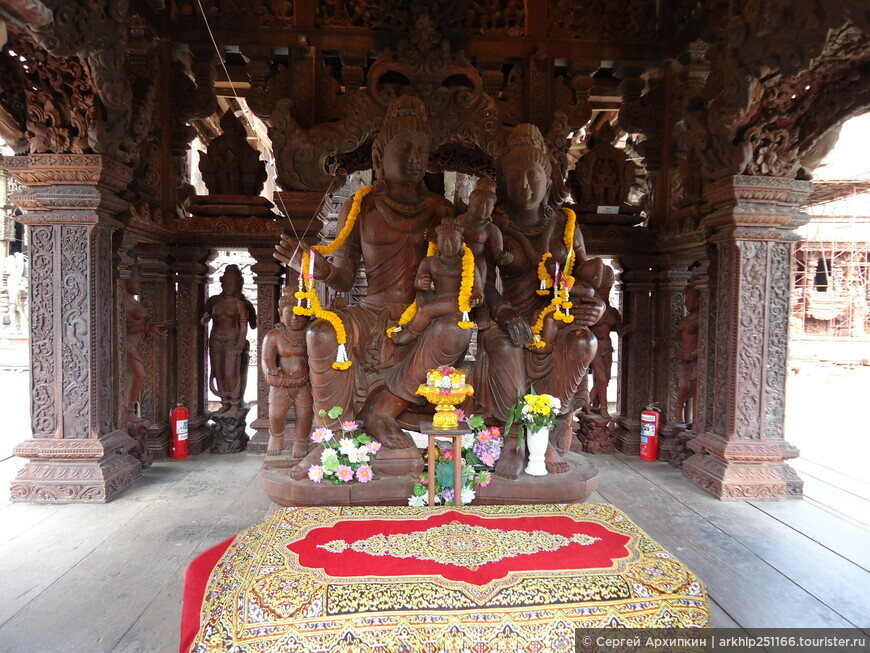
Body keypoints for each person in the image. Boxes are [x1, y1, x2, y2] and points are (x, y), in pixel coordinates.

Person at [273, 96, 470, 474]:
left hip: (424, 316)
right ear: (379, 158)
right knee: (320, 334)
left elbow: (464, 272)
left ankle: (384, 412)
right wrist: (312, 267)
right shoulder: (360, 206)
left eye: (422, 151)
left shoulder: (443, 211)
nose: (414, 158)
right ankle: (332, 439)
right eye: (405, 149)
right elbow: (345, 278)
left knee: (456, 331)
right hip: (372, 311)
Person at [471, 123, 606, 477]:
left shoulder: (566, 223)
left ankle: (549, 431)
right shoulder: (494, 223)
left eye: (532, 176)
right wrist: (502, 312)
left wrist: (597, 307)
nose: (524, 186)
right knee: (503, 348)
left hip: (557, 315)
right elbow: (480, 280)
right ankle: (515, 437)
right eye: (515, 178)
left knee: (583, 342)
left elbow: (585, 276)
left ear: (549, 179)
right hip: (510, 316)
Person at [391, 218, 483, 345]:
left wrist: (477, 296)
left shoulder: (468, 265)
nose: (448, 244)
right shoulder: (429, 262)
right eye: (443, 240)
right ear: (437, 242)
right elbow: (418, 282)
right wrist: (421, 283)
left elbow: (478, 289)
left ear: (461, 241)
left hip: (457, 301)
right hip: (437, 298)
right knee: (421, 299)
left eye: (452, 240)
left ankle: (411, 333)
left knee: (426, 310)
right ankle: (411, 323)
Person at [261, 286, 313, 457]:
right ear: (280, 313)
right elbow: (266, 357)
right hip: (281, 383)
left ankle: (301, 441)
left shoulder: (311, 333)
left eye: (300, 313)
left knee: (304, 416)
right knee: (275, 415)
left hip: (303, 383)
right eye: (290, 313)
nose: (295, 318)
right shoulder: (274, 335)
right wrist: (270, 369)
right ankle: (276, 437)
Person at [201, 264, 257, 412]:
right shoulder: (214, 301)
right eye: (227, 283)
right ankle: (224, 401)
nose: (229, 286)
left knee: (230, 372)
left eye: (233, 283)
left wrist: (240, 343)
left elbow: (247, 326)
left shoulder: (239, 304)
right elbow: (204, 318)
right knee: (218, 371)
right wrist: (205, 318)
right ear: (222, 282)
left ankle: (234, 401)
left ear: (239, 284)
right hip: (216, 340)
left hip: (233, 340)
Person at [125, 274, 172, 418]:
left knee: (138, 375)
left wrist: (151, 326)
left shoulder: (132, 301)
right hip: (125, 345)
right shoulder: (121, 302)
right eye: (136, 280)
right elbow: (118, 327)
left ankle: (130, 409)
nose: (139, 284)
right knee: (138, 374)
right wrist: (146, 327)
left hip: (136, 344)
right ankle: (128, 411)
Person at [586, 268, 623, 419]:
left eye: (606, 293)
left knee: (606, 379)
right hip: (594, 346)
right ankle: (603, 408)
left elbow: (619, 327)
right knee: (601, 378)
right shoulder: (591, 310)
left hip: (607, 347)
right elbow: (582, 327)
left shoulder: (612, 311)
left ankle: (587, 402)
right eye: (601, 294)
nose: (604, 296)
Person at [674, 282, 700, 425]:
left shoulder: (703, 318)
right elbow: (680, 337)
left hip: (695, 360)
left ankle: (695, 423)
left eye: (689, 300)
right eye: (685, 300)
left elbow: (708, 342)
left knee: (696, 392)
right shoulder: (687, 318)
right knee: (682, 389)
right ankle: (678, 420)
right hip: (682, 358)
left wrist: (693, 354)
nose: (685, 304)